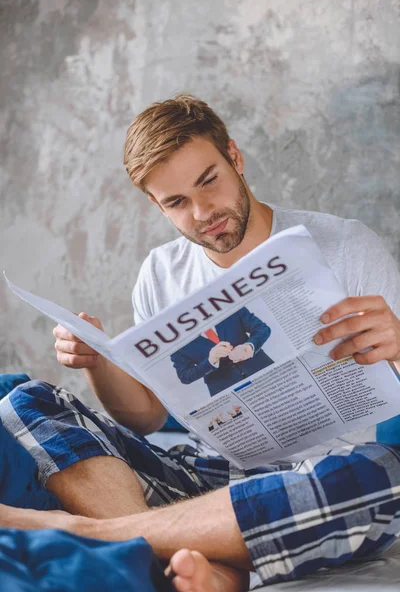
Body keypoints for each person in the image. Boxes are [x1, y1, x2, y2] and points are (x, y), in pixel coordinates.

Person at [1, 94, 400, 592]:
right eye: (176, 203)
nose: (203, 212)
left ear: (234, 156)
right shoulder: (159, 273)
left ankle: (103, 536)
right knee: (24, 402)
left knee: (388, 475)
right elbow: (146, 420)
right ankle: (204, 564)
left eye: (208, 181)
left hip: (322, 479)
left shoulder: (345, 245)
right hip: (211, 479)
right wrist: (99, 363)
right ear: (156, 205)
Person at [171, 307, 273, 396]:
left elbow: (262, 328)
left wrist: (249, 347)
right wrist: (210, 361)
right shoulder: (175, 340)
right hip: (225, 390)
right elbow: (185, 376)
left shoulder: (228, 306)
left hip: (265, 373)